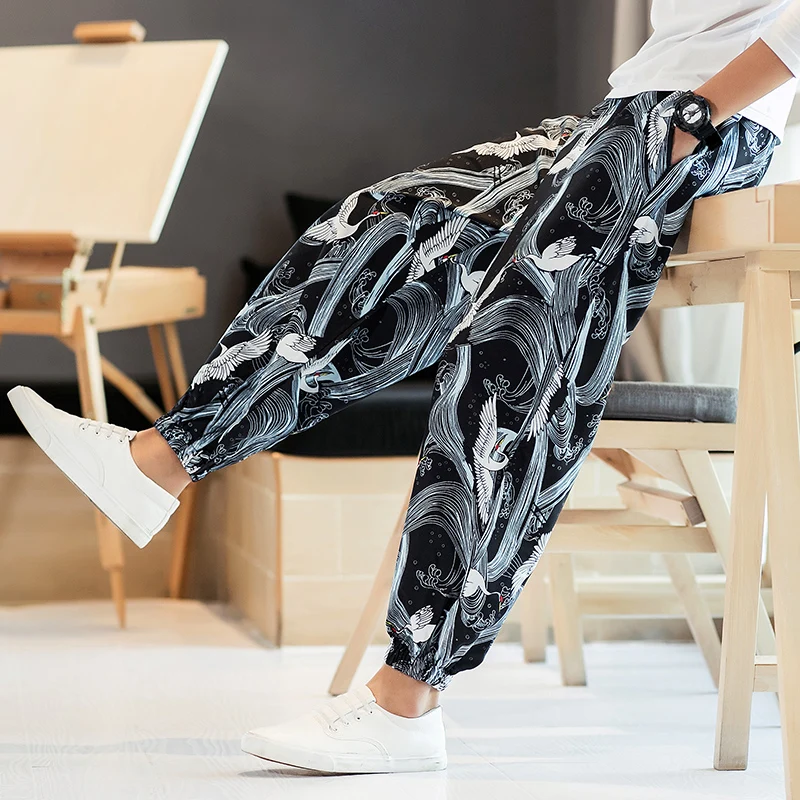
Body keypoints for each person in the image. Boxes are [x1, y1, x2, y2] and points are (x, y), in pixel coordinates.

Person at [8, 0, 800, 776]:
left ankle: (407, 701)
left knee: (507, 354)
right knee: (381, 222)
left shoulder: (699, 114)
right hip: (631, 108)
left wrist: (698, 114)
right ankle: (164, 459)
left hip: (705, 119)